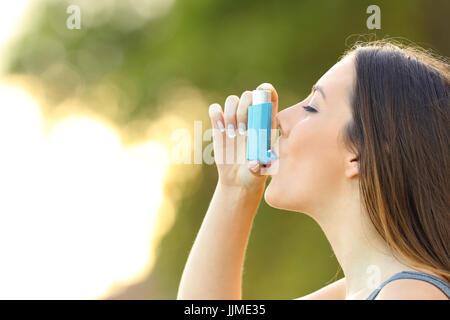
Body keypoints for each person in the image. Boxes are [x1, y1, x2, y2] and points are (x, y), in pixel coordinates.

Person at [177, 40, 450, 300]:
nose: (281, 118)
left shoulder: (408, 294)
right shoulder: (365, 289)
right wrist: (235, 189)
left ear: (361, 154)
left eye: (311, 107)